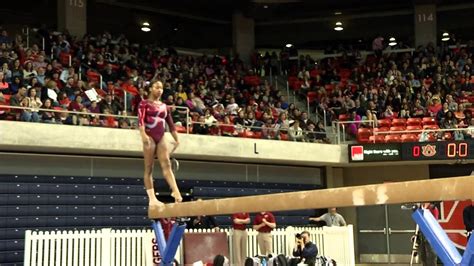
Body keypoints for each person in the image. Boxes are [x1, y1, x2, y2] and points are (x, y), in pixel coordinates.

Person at [138, 80, 182, 209]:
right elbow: (140, 120)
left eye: (161, 88)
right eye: (157, 87)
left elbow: (171, 124)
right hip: (149, 136)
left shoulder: (164, 106)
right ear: (151, 88)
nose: (160, 90)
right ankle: (152, 198)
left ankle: (176, 191)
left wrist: (176, 139)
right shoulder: (144, 103)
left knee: (167, 164)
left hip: (161, 137)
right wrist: (143, 135)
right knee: (149, 168)